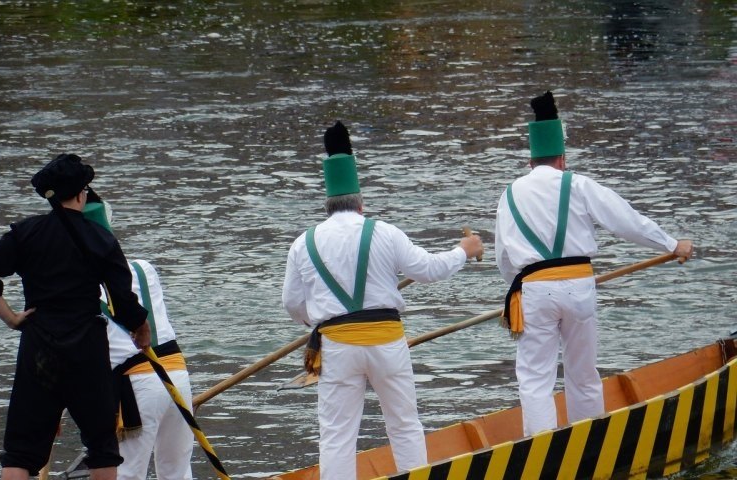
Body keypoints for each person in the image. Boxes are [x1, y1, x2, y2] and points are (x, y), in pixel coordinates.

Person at [281, 121, 484, 480]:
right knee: (404, 424)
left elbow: (293, 303)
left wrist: (320, 320)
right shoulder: (385, 232)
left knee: (338, 436)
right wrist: (463, 251)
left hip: (337, 346)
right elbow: (427, 270)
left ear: (328, 204)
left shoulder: (304, 243)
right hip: (388, 343)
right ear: (361, 203)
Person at [494, 91, 694, 437]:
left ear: (530, 163)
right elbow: (625, 220)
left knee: (535, 379)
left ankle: (542, 452)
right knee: (582, 373)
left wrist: (524, 284)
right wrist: (672, 244)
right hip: (579, 286)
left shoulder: (509, 194)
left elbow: (504, 259)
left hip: (533, 291)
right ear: (562, 159)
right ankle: (591, 442)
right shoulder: (578, 184)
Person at [0, 153, 151, 480]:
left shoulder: (26, 233)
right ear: (82, 193)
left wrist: (10, 318)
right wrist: (141, 328)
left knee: (20, 451)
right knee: (101, 445)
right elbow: (123, 299)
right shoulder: (100, 237)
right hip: (87, 347)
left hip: (39, 345)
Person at [82, 200, 194, 480]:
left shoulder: (80, 286)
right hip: (176, 376)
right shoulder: (144, 268)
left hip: (137, 384)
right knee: (177, 471)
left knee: (128, 473)